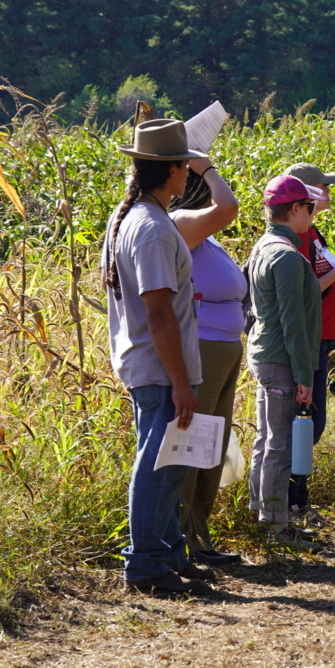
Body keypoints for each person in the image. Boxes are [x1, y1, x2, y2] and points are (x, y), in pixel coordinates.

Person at [102, 118, 214, 596]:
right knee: (157, 465)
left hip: (150, 362)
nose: (189, 175)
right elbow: (159, 312)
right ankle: (146, 562)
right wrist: (182, 381)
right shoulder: (149, 227)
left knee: (169, 462)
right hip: (158, 365)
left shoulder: (136, 217)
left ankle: (168, 553)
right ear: (170, 171)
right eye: (185, 167)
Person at [246, 174, 324, 549]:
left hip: (265, 353)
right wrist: (304, 372)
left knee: (266, 439)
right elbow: (293, 321)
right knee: (279, 443)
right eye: (309, 208)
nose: (312, 214)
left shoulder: (264, 245)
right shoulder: (288, 256)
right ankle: (276, 525)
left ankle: (259, 512)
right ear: (294, 209)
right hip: (281, 359)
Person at [283, 163, 335, 526]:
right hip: (308, 338)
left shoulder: (313, 232)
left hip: (324, 333)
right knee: (302, 425)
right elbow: (303, 291)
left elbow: (322, 282)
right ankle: (290, 502)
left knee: (311, 424)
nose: (329, 192)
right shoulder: (296, 237)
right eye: (322, 186)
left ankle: (299, 498)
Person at [173, 158, 243, 567]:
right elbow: (228, 207)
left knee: (212, 445)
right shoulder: (182, 221)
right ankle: (183, 536)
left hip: (224, 346)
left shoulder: (209, 239)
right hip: (204, 346)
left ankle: (200, 534)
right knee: (196, 441)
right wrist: (208, 166)